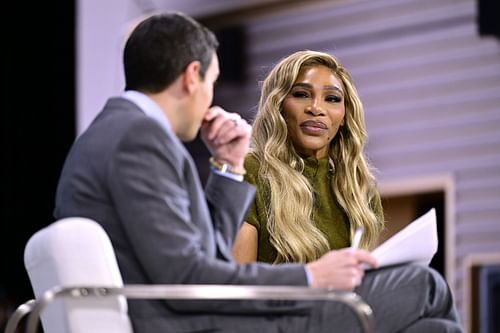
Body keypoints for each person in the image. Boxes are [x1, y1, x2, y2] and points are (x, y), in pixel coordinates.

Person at [53, 10, 461, 332]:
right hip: (205, 324)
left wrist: (229, 169)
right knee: (425, 284)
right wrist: (311, 277)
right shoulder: (138, 140)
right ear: (193, 76)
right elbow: (188, 276)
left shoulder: (117, 132)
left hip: (200, 316)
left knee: (435, 328)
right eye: (213, 81)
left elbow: (197, 256)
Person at [232, 50, 464, 332]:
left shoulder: (358, 187)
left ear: (343, 117)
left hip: (343, 313)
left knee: (439, 329)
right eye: (302, 94)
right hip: (280, 320)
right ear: (278, 105)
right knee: (427, 283)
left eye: (332, 99)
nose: (316, 108)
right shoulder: (250, 169)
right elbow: (237, 287)